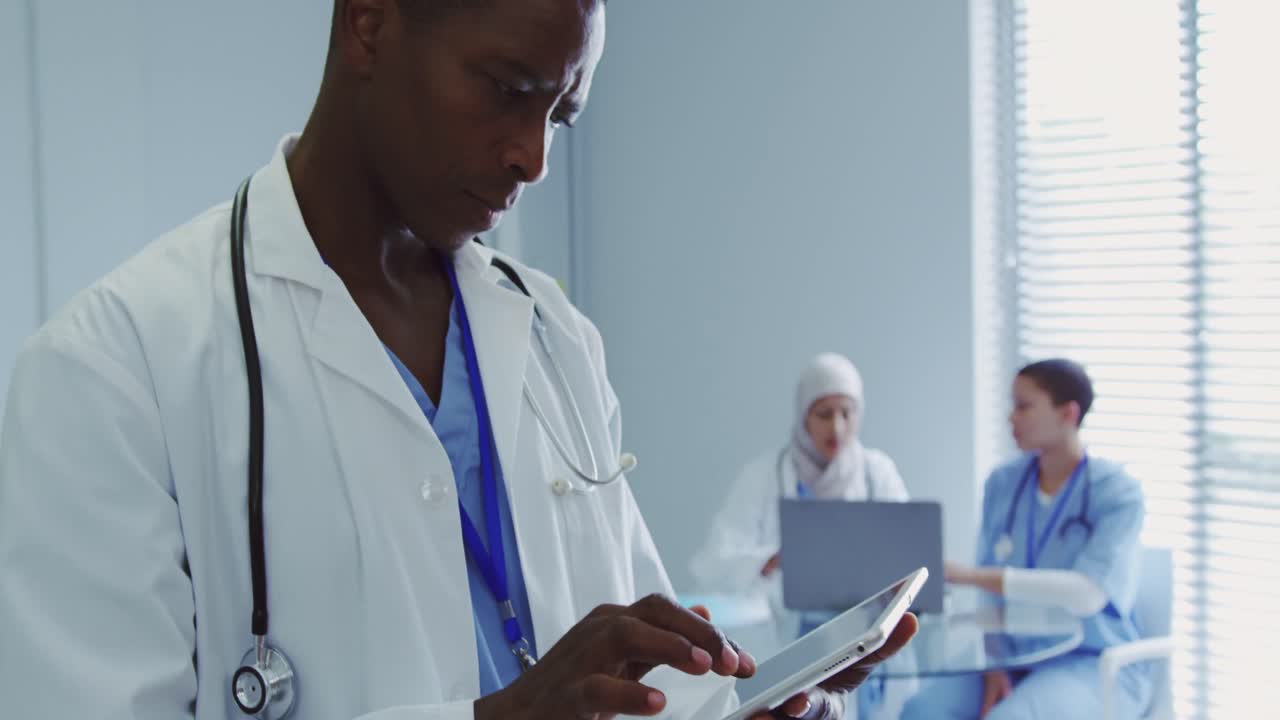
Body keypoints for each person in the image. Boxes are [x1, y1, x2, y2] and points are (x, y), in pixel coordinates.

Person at [0, 2, 917, 719]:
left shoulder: (555, 338)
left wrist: (730, 709)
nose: (533, 159)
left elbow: (627, 680)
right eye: (509, 87)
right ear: (368, 21)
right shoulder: (114, 375)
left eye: (561, 111)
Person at [901, 359, 1149, 720]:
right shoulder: (1004, 483)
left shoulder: (1116, 493)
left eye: (1024, 406)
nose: (1010, 418)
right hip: (1013, 656)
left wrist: (969, 575)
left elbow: (1087, 594)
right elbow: (990, 595)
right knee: (922, 710)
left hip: (1090, 662)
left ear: (1068, 413)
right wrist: (994, 664)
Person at [692, 352, 915, 720]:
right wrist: (772, 558)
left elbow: (906, 554)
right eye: (824, 414)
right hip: (785, 635)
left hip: (864, 630)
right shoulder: (764, 475)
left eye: (848, 413)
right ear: (803, 417)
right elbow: (714, 560)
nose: (837, 427)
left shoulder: (878, 473)